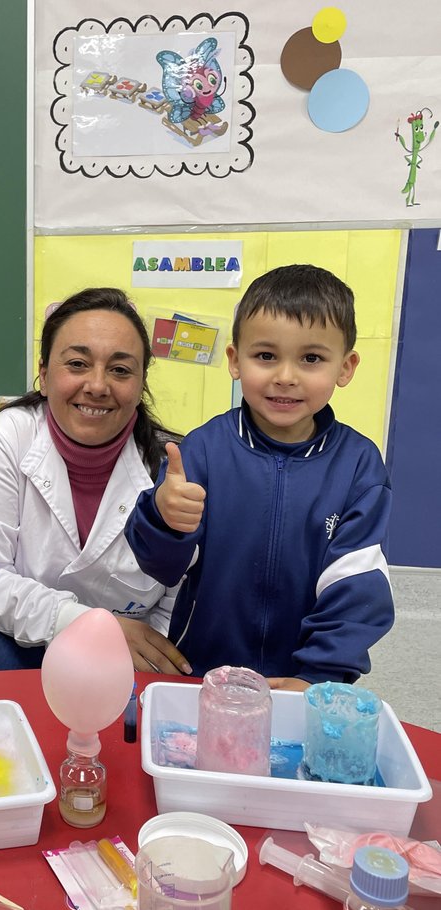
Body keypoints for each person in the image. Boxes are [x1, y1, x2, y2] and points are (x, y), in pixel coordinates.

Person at [124, 264, 394, 690]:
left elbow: (357, 586)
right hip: (202, 675)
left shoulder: (358, 465)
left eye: (311, 358)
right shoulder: (203, 449)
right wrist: (163, 518)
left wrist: (318, 676)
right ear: (235, 360)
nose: (285, 376)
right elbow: (161, 566)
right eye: (266, 356)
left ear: (345, 367)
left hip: (301, 682)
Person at [0, 286, 189, 676]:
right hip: (18, 639)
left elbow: (178, 599)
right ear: (45, 376)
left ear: (141, 383)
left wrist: (132, 653)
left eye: (119, 369)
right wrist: (89, 627)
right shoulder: (11, 434)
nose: (97, 386)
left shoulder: (175, 462)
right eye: (78, 364)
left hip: (131, 649)